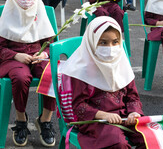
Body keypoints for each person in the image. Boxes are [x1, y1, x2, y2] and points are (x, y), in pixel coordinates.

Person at [60, 16, 145, 148]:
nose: (110, 48)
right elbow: (79, 106)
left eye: (115, 42)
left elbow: (132, 96)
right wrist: (103, 115)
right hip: (96, 120)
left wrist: (134, 112)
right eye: (103, 43)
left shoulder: (121, 63)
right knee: (118, 143)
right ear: (92, 42)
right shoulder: (82, 70)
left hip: (124, 116)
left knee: (149, 137)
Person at [0, 0, 56, 147]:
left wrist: (43, 55)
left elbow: (51, 44)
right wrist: (16, 55)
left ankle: (45, 120)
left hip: (37, 55)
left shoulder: (40, 11)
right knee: (21, 78)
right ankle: (21, 119)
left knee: (52, 73)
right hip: (14, 57)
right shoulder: (8, 13)